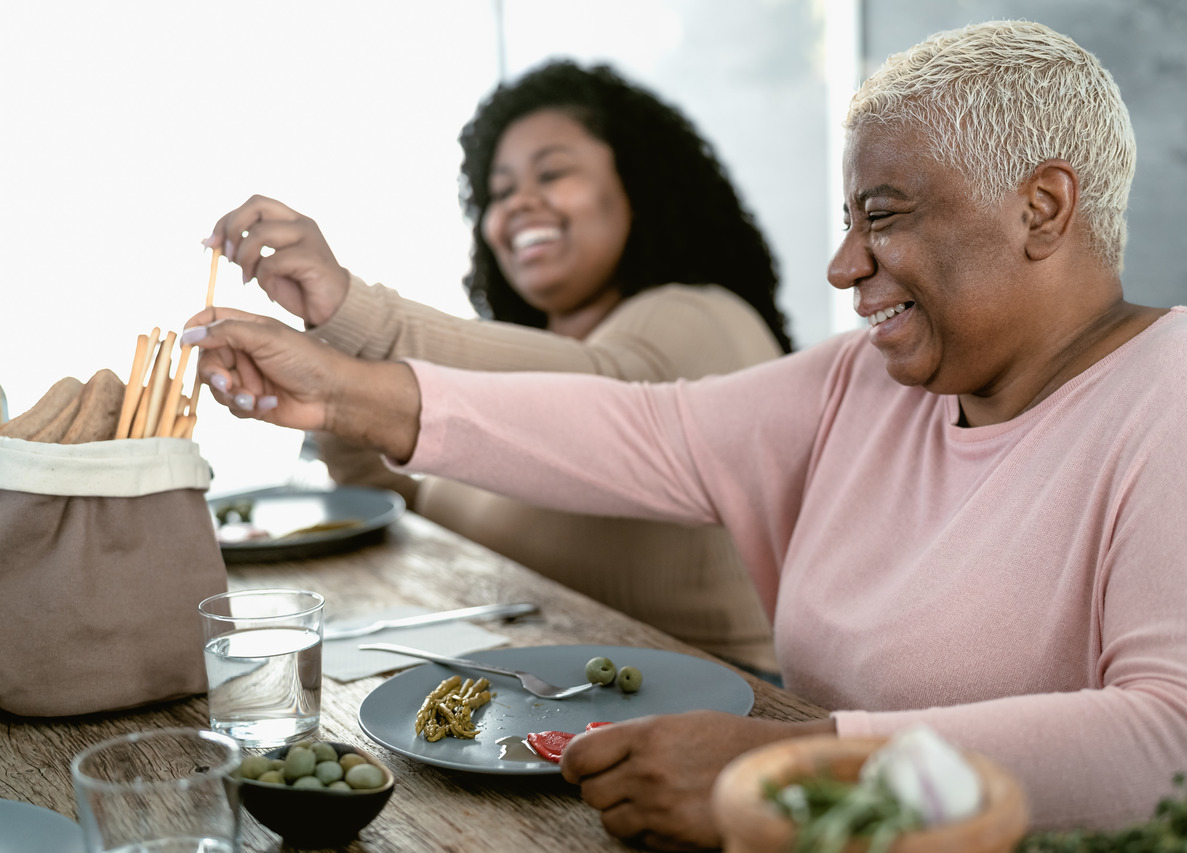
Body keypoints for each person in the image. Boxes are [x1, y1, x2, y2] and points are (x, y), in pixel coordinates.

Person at [184, 20, 1187, 849]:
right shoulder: (868, 384)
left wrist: (796, 762)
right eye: (846, 220)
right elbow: (640, 426)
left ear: (1042, 208)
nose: (842, 266)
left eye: (884, 214)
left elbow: (1185, 745)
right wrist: (335, 396)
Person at [203, 60, 794, 675]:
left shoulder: (703, 315)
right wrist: (332, 371)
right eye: (500, 190)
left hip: (721, 713)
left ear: (640, 185)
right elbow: (407, 505)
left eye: (552, 173)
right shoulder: (511, 356)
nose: (520, 204)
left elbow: (609, 397)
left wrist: (353, 311)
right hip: (540, 699)